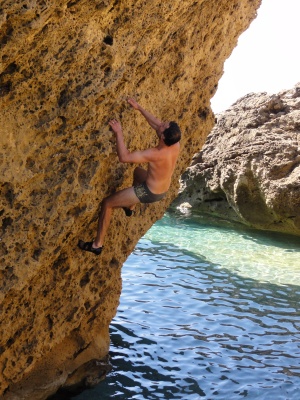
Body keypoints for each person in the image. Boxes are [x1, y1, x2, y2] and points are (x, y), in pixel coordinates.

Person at [78, 98, 181, 255]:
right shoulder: (174, 143)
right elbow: (156, 124)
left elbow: (124, 157)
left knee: (108, 203)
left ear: (162, 137)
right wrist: (139, 108)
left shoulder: (155, 154)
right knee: (137, 172)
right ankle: (130, 207)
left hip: (148, 192)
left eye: (162, 126)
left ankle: (97, 245)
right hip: (162, 188)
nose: (160, 123)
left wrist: (119, 132)